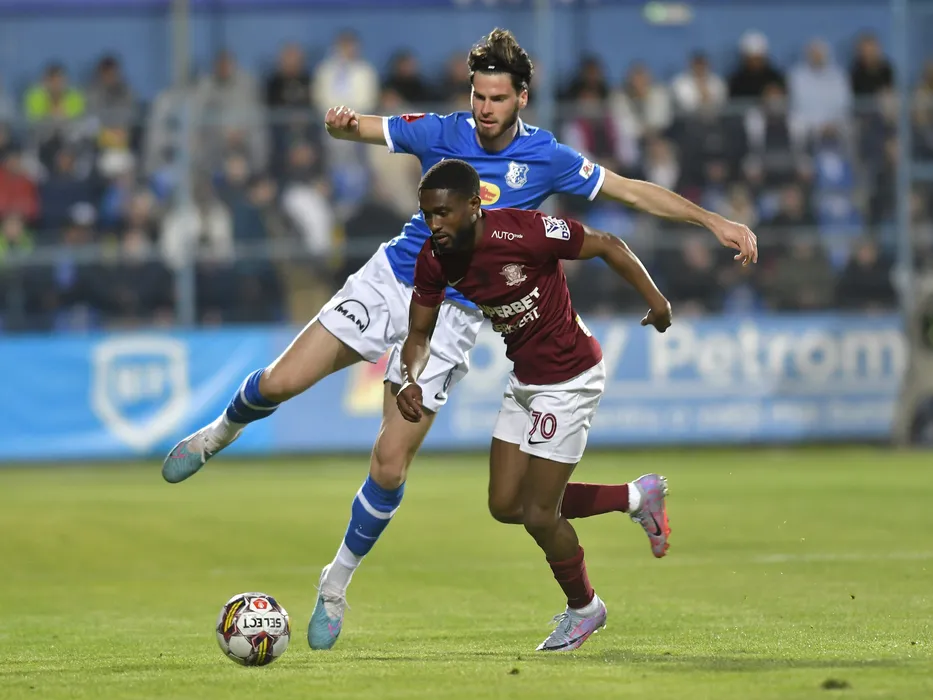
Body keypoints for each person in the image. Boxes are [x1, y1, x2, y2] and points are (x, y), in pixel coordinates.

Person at [160, 28, 756, 651]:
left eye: (497, 98)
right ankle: (215, 436)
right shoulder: (443, 131)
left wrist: (712, 220)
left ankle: (334, 586)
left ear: (522, 98)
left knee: (390, 464)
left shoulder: (547, 156)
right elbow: (370, 128)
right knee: (281, 381)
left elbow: (630, 190)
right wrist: (342, 124)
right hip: (393, 279)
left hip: (453, 317)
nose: (485, 108)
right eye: (478, 96)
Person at [397, 158, 672, 651]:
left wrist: (657, 301)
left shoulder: (525, 232)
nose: (433, 224)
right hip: (526, 379)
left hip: (570, 378)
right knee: (506, 505)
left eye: (442, 213)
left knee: (540, 514)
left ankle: (585, 609)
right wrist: (409, 379)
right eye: (427, 214)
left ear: (474, 205)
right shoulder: (434, 257)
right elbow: (419, 333)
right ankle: (636, 497)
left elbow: (608, 244)